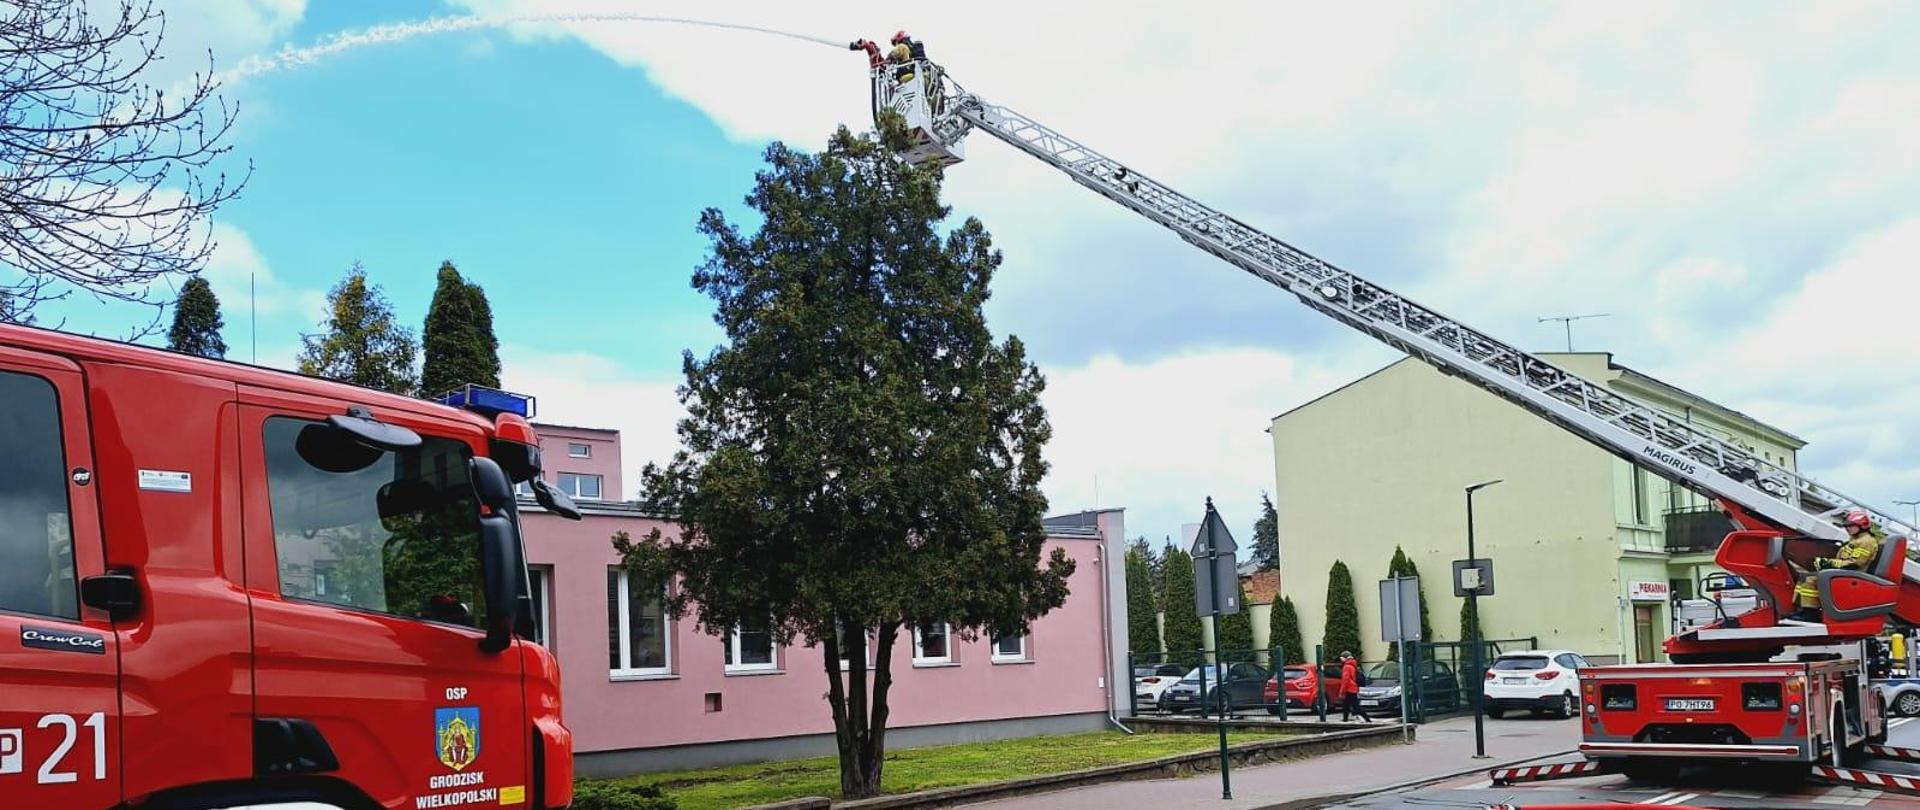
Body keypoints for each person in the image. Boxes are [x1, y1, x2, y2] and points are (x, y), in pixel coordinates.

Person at [1789, 509, 1880, 623]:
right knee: (1804, 577)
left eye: (1851, 526)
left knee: (1811, 579)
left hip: (1853, 575)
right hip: (1845, 573)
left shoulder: (1866, 542)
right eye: (1847, 526)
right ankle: (1802, 610)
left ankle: (1811, 613)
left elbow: (1855, 564)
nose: (1848, 528)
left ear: (1862, 526)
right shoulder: (1856, 539)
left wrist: (1828, 563)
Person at [1339, 651, 1370, 723]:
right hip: (1353, 688)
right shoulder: (1353, 665)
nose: (1340, 659)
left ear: (1344, 658)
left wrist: (1341, 691)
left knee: (1355, 706)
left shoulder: (1346, 667)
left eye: (1341, 658)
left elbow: (1345, 680)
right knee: (1346, 704)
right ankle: (1345, 719)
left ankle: (1367, 719)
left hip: (1349, 689)